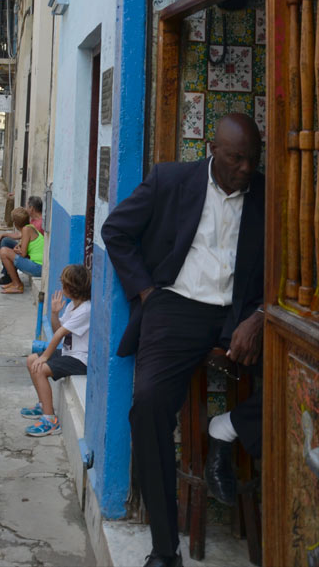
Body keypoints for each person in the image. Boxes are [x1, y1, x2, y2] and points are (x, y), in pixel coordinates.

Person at [101, 113, 265, 567]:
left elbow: (288, 266)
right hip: (176, 307)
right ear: (213, 150)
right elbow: (116, 231)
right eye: (235, 159)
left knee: (303, 375)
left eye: (252, 159)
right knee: (148, 405)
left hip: (241, 313)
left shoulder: (267, 195)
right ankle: (164, 548)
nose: (245, 169)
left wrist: (261, 315)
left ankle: (227, 427)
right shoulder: (171, 180)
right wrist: (147, 292)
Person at [23, 264, 91, 437]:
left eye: (63, 284)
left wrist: (45, 357)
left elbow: (60, 334)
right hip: (70, 353)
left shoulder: (86, 310)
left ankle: (50, 420)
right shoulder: (72, 306)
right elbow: (57, 330)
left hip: (80, 359)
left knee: (40, 369)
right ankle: (43, 405)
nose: (61, 287)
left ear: (71, 287)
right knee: (31, 360)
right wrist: (54, 313)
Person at [0, 195, 43, 285]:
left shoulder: (39, 225)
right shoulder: (32, 222)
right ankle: (8, 274)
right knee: (5, 240)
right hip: (31, 254)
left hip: (33, 260)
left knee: (4, 250)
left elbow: (24, 252)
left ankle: (12, 279)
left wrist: (17, 249)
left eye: (27, 206)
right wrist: (3, 234)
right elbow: (22, 236)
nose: (26, 209)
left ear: (31, 208)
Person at [0, 207, 44, 294]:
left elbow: (23, 254)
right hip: (39, 265)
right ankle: (14, 281)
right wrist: (17, 246)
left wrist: (17, 249)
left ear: (15, 223)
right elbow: (20, 238)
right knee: (6, 242)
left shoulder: (26, 229)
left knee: (4, 252)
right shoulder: (29, 227)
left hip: (38, 267)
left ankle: (17, 285)